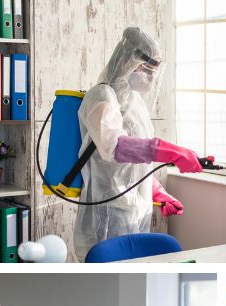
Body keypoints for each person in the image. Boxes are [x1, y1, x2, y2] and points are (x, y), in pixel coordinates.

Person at [74, 27, 204, 261]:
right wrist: (168, 151)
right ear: (128, 62)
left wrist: (157, 191)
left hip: (137, 210)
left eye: (155, 70)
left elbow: (134, 166)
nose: (152, 77)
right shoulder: (101, 96)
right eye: (147, 69)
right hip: (107, 211)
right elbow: (114, 147)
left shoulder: (136, 103)